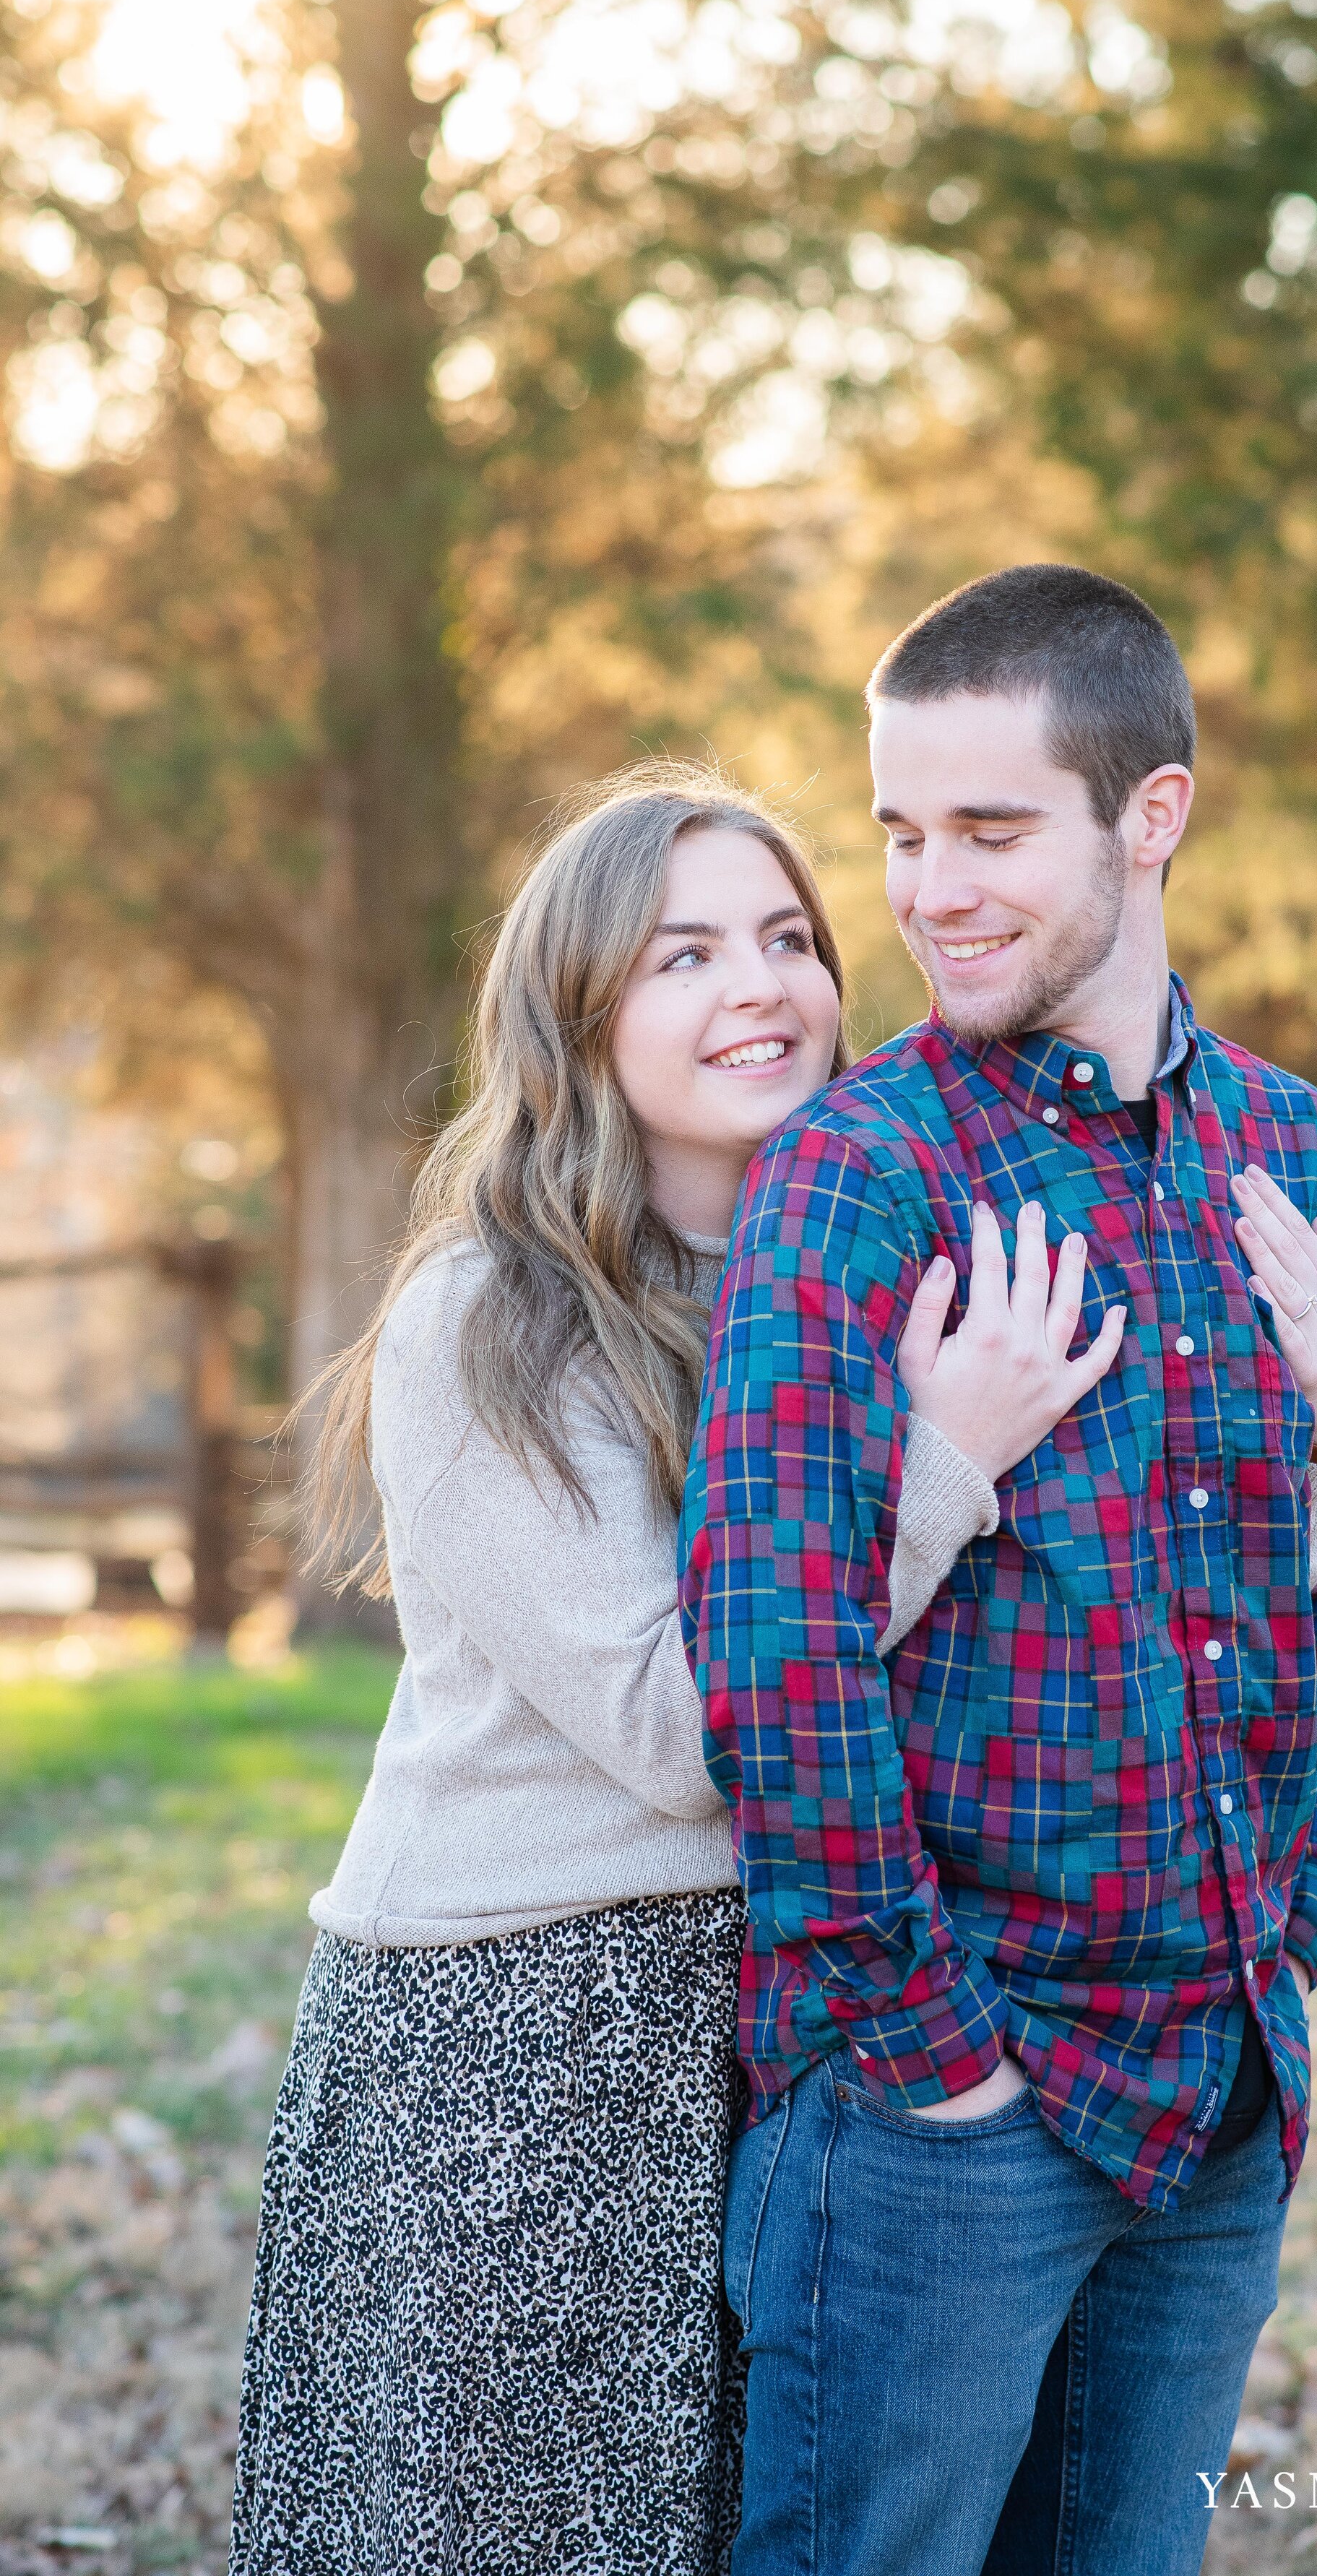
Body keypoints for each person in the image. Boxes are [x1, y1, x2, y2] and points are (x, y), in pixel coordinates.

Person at [229, 771, 1122, 2576]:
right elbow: (676, 1730)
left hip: (795, 2012)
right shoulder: (488, 1312)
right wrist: (942, 1463)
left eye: (788, 939)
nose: (762, 987)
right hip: (519, 2036)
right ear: (578, 1013)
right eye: (684, 953)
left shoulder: (868, 1274)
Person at [680, 566, 1317, 2576]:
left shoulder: (1302, 1160)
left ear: (1146, 815)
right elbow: (774, 1656)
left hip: (1219, 2091)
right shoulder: (859, 1170)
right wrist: (928, 2062)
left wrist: (1298, 1906)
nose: (928, 890)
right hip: (947, 2120)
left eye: (989, 831)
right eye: (899, 833)